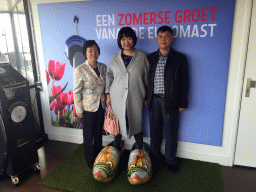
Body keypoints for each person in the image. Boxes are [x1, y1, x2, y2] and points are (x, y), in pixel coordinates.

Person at [145, 25, 189, 173]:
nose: (163, 39)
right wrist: (147, 98)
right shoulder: (150, 58)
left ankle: (171, 160)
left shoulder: (179, 58)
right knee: (154, 132)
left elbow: (185, 82)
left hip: (171, 101)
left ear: (171, 38)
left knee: (171, 132)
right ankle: (155, 158)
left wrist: (183, 103)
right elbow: (145, 80)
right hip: (153, 101)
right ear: (157, 39)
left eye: (166, 36)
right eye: (160, 37)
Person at [105, 27, 149, 151]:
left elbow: (147, 77)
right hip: (117, 97)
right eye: (123, 39)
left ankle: (139, 147)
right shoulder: (115, 58)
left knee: (136, 120)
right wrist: (107, 94)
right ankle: (117, 145)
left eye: (129, 38)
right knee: (117, 121)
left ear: (133, 40)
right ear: (120, 41)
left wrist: (147, 96)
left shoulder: (141, 57)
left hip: (136, 96)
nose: (126, 42)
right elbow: (109, 77)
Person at [73, 40, 107, 168]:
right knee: (88, 135)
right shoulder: (80, 69)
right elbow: (76, 92)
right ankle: (89, 158)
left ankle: (98, 155)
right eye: (90, 50)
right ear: (85, 53)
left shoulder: (103, 67)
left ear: (98, 52)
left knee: (98, 133)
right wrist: (79, 110)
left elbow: (105, 85)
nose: (93, 53)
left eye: (95, 50)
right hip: (87, 108)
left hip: (100, 105)